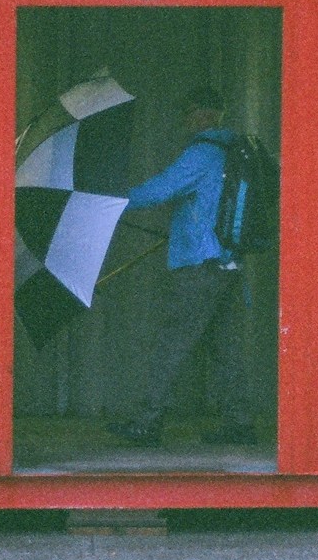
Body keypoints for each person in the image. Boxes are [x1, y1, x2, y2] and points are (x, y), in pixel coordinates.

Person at [106, 85, 256, 447]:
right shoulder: (236, 151)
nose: (185, 120)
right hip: (229, 265)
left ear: (202, 113)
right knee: (225, 351)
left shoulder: (202, 153)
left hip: (200, 268)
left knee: (171, 345)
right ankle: (239, 423)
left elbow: (159, 190)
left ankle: (147, 422)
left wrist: (110, 203)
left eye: (187, 112)